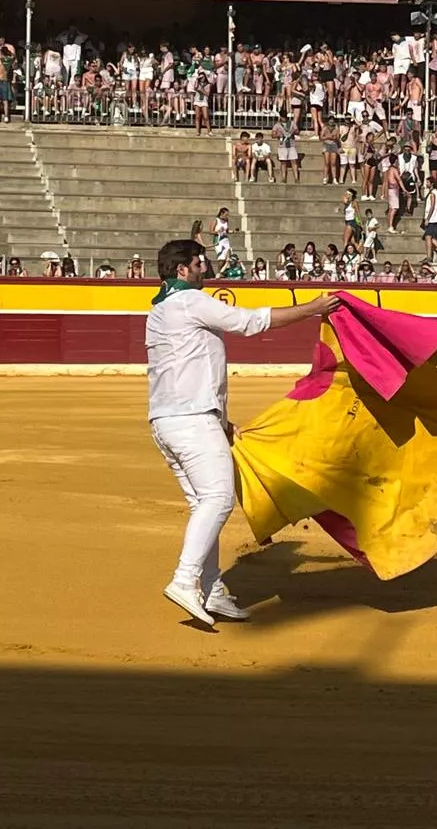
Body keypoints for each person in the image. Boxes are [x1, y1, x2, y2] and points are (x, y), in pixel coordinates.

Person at [145, 238, 339, 627]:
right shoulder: (189, 302)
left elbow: (187, 368)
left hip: (168, 421)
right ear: (181, 270)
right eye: (200, 263)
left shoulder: (161, 310)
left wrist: (220, 421)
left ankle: (212, 587)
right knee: (217, 499)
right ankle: (185, 579)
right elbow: (250, 322)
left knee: (205, 503)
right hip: (192, 420)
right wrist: (313, 309)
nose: (206, 268)